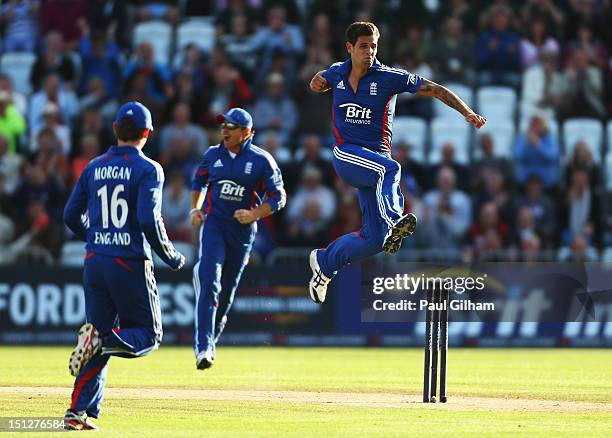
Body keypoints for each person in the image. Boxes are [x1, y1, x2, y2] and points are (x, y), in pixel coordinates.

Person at [308, 22, 486, 304]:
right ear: (350, 48)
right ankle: (393, 219)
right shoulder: (337, 72)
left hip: (374, 163)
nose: (369, 51)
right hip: (346, 154)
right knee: (390, 169)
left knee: (375, 240)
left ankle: (325, 263)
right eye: (364, 46)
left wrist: (468, 112)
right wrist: (316, 80)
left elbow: (436, 89)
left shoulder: (390, 77)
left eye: (374, 46)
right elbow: (319, 78)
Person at [62, 102, 186, 430]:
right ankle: (99, 342)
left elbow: (70, 216)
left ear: (115, 130)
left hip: (94, 261)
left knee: (101, 330)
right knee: (148, 334)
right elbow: (148, 219)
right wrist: (170, 255)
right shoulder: (149, 169)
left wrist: (97, 235)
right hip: (128, 261)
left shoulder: (93, 166)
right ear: (147, 134)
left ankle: (77, 412)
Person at [190, 108, 286, 370]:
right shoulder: (212, 154)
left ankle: (211, 340)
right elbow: (198, 184)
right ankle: (203, 345)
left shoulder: (262, 160)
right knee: (210, 279)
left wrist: (254, 214)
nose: (224, 131)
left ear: (246, 133)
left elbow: (278, 198)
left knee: (227, 292)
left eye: (230, 127)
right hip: (214, 227)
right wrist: (195, 209)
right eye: (223, 126)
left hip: (242, 233)